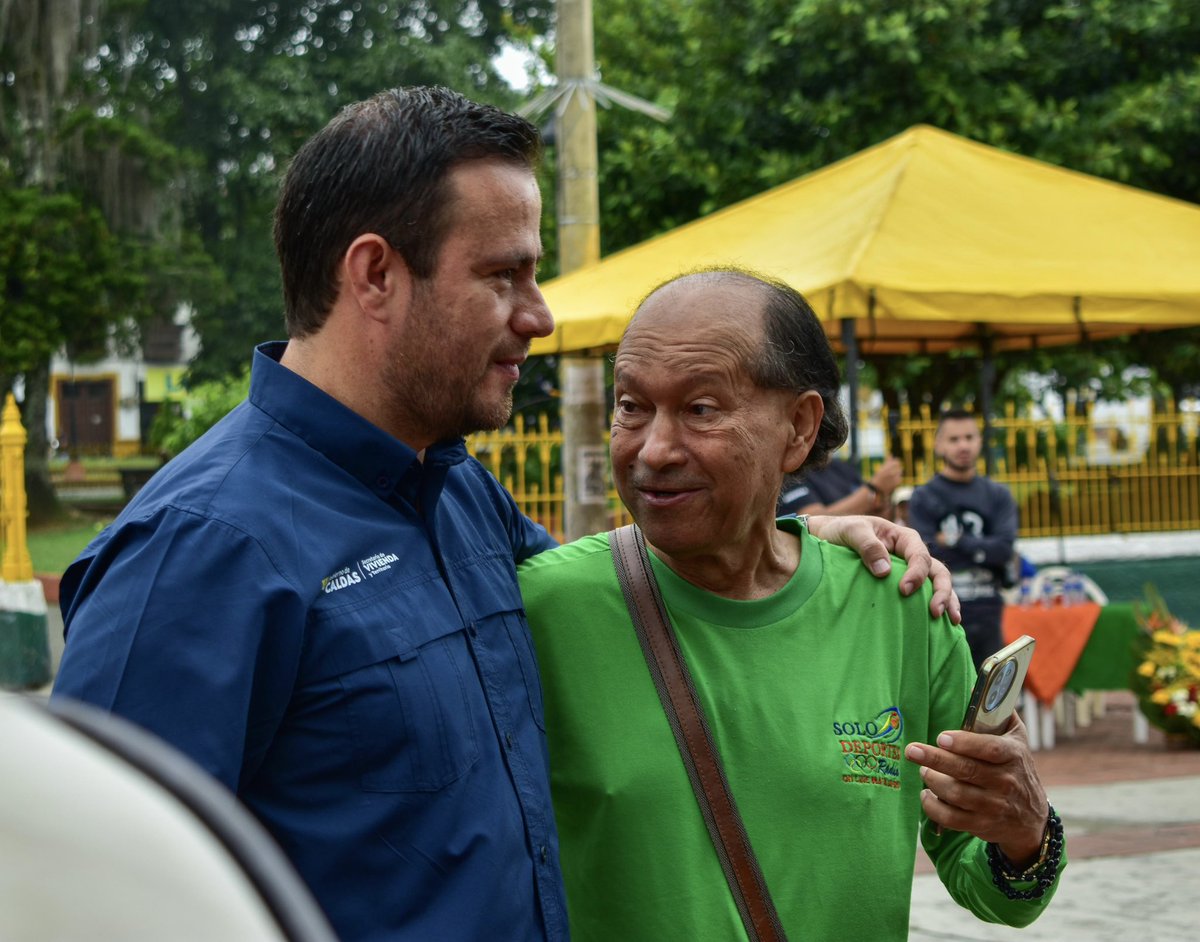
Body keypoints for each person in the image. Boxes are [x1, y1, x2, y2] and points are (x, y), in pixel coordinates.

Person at [51, 88, 957, 941]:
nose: (540, 316)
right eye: (503, 276)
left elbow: (621, 578)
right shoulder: (202, 548)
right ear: (375, 274)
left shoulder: (456, 494)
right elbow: (89, 899)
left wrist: (793, 532)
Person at [518, 269, 1061, 941]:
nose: (653, 449)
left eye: (701, 409)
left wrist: (1025, 832)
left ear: (800, 427)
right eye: (632, 406)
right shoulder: (540, 610)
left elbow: (992, 884)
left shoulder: (900, 606)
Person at [907, 409, 1019, 670]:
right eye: (954, 439)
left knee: (991, 690)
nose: (963, 446)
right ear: (939, 445)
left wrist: (956, 541)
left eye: (969, 437)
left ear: (980, 441)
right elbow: (925, 554)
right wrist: (981, 549)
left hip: (989, 612)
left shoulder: (998, 495)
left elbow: (1004, 549)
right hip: (941, 612)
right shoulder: (924, 497)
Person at [778, 454, 903, 518]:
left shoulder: (841, 467)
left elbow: (877, 515)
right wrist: (874, 488)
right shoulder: (792, 472)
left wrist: (882, 499)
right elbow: (810, 521)